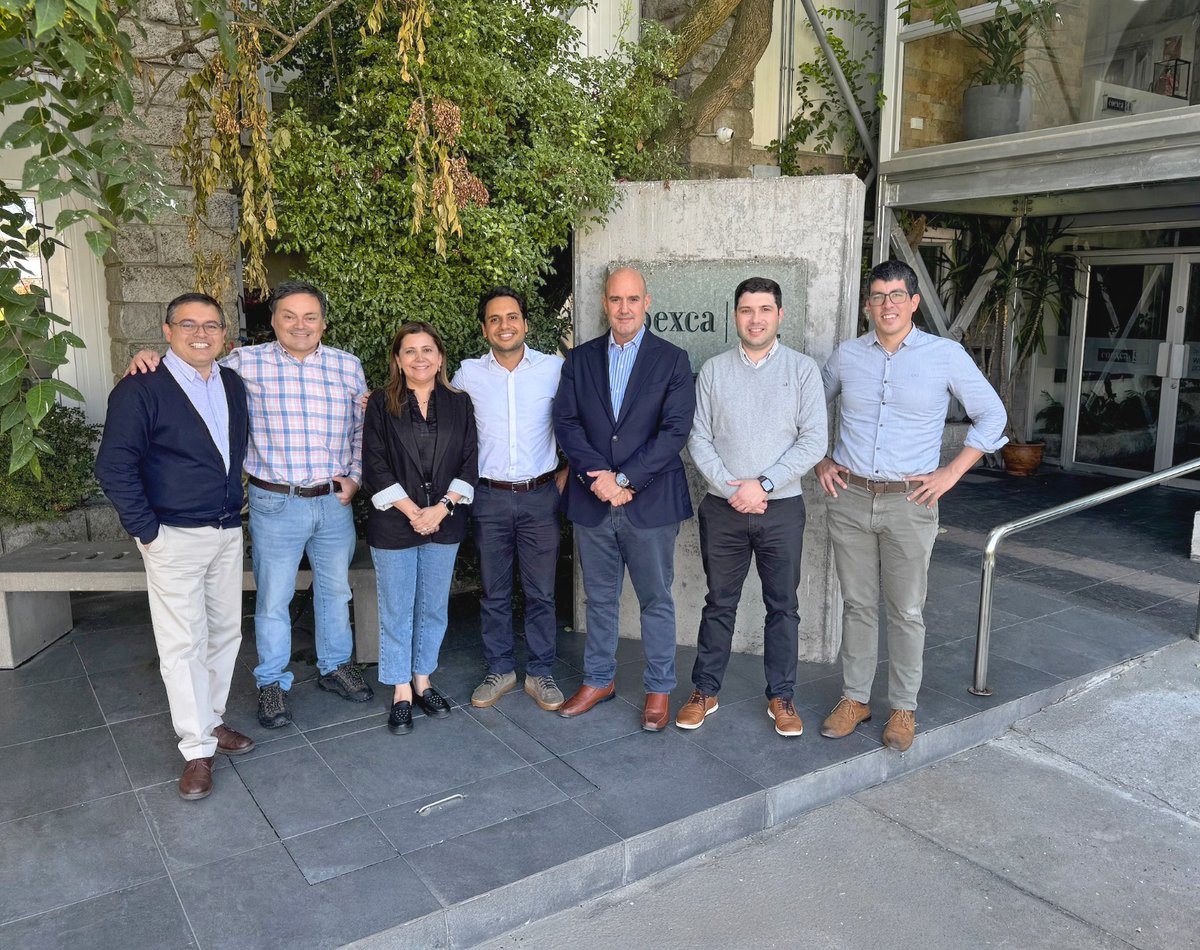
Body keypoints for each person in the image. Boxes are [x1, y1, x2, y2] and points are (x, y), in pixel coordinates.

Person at [126, 280, 373, 730]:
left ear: (323, 321)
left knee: (336, 591)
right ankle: (272, 683)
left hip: (334, 502)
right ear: (273, 321)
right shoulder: (243, 363)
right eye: (289, 316)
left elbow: (361, 428)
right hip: (275, 502)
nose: (300, 325)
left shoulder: (348, 366)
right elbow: (190, 362)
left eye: (310, 316)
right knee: (274, 598)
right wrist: (148, 358)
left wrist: (355, 478)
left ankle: (335, 665)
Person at [816, 259, 1006, 752]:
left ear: (914, 302)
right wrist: (819, 460)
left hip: (910, 503)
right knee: (857, 604)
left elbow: (992, 414)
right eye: (878, 297)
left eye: (896, 296)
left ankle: (903, 708)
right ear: (867, 305)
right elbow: (809, 410)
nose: (887, 305)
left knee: (905, 609)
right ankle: (855, 698)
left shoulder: (945, 355)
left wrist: (952, 471)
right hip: (850, 497)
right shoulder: (847, 355)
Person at [96, 293, 254, 801]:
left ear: (224, 334)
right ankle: (196, 750)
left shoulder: (231, 382)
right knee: (182, 644)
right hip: (173, 537)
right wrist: (149, 532)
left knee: (225, 633)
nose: (201, 333)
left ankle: (211, 721)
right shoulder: (140, 388)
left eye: (211, 324)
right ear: (167, 331)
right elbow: (113, 467)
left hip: (227, 530)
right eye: (188, 324)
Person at [679, 277, 827, 737]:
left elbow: (814, 441)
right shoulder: (714, 370)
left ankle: (781, 697)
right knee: (719, 603)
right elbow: (697, 437)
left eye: (765, 309)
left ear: (780, 315)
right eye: (746, 310)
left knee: (782, 606)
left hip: (781, 508)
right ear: (735, 315)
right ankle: (705, 690)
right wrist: (731, 487)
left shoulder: (803, 370)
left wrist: (761, 485)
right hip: (723, 509)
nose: (756, 318)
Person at [552, 266, 696, 731]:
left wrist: (626, 479)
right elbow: (567, 423)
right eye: (616, 299)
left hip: (650, 503)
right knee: (599, 598)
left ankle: (658, 689)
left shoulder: (672, 360)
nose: (624, 308)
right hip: (593, 500)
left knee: (656, 599)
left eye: (632, 299)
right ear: (604, 304)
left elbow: (675, 430)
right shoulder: (580, 360)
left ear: (647, 302)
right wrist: (600, 479)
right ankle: (598, 679)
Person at [451, 287, 567, 712]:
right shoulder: (466, 374)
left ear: (525, 323)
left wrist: (565, 474)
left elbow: (578, 423)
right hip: (489, 498)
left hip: (540, 497)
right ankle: (500, 668)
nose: (505, 325)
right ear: (484, 328)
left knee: (541, 592)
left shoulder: (555, 369)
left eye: (512, 317)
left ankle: (541, 672)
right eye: (495, 319)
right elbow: (433, 407)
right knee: (494, 591)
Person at [362, 322, 478, 734]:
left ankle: (423, 679)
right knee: (396, 608)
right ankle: (400, 690)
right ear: (397, 360)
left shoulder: (460, 403)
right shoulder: (380, 402)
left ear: (440, 357)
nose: (419, 358)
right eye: (409, 351)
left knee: (432, 607)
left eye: (427, 349)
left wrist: (442, 508)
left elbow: (469, 462)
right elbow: (373, 463)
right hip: (396, 521)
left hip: (444, 521)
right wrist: (415, 511)